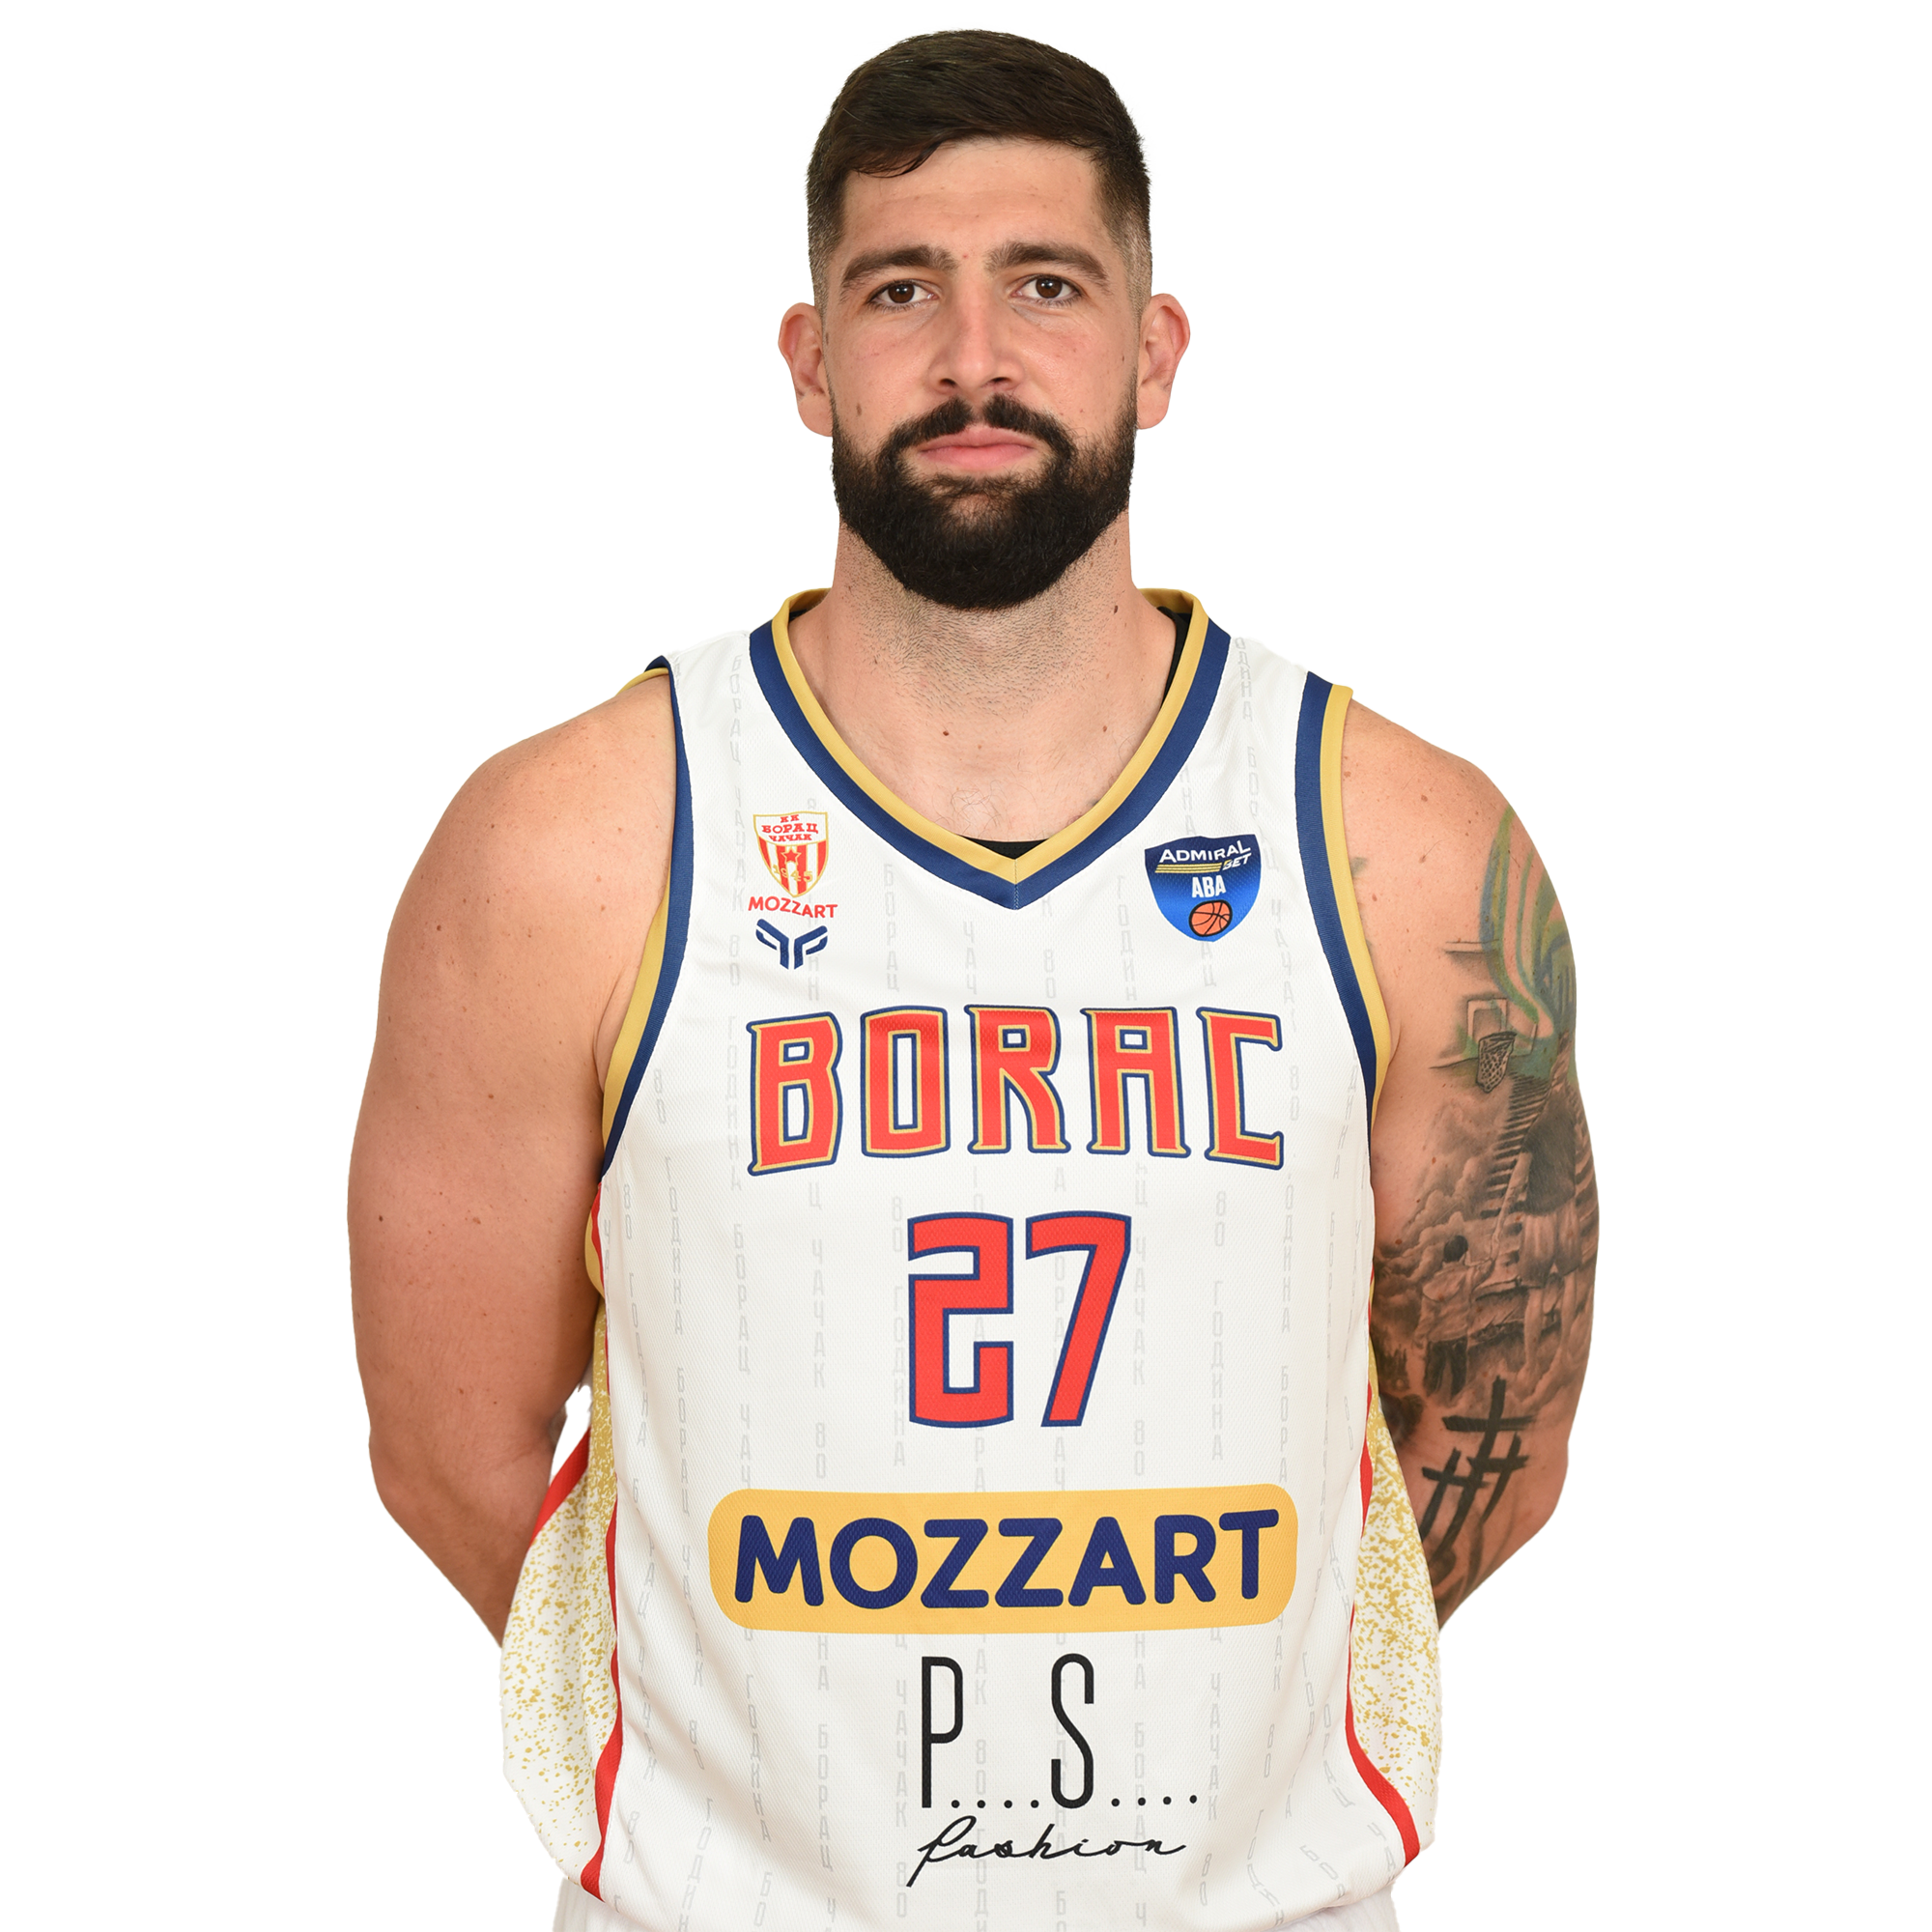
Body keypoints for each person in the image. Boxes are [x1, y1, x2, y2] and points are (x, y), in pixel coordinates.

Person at [349, 28, 1596, 1931]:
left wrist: (1229, 1716)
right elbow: (451, 1447)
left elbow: (1497, 1425)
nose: (973, 358)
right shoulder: (567, 846)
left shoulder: (1405, 849)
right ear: (809, 358)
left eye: (1047, 286)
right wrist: (748, 1750)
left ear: (1155, 350)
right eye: (899, 290)